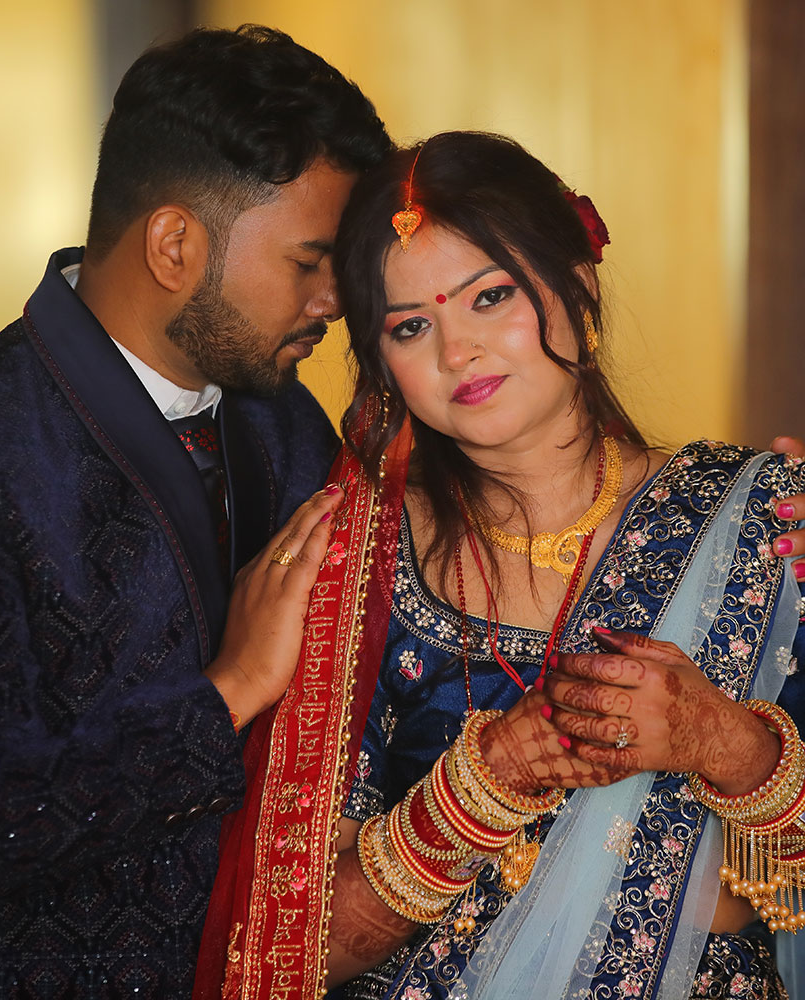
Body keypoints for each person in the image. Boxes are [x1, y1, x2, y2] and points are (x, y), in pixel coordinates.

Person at [0, 25, 392, 997]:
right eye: (309, 261)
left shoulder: (287, 423)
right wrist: (229, 692)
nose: (335, 299)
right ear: (174, 245)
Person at [196, 132, 805, 1000]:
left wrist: (728, 744)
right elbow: (285, 952)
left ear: (578, 287)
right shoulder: (354, 570)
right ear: (382, 368)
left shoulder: (761, 521)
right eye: (412, 326)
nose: (458, 352)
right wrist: (489, 782)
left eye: (490, 297)